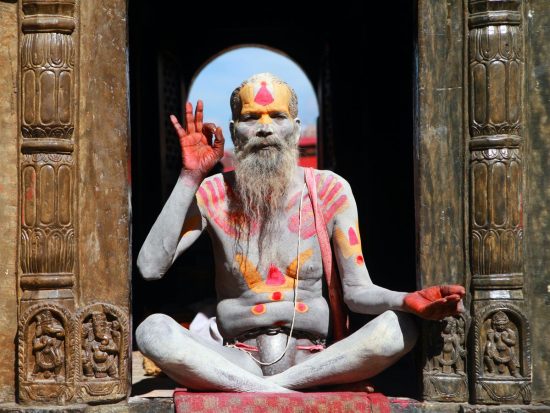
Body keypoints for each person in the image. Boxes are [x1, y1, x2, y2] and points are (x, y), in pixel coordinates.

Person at [135, 73, 465, 392]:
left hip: (318, 358)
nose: (264, 127)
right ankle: (277, 389)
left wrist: (406, 300)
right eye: (251, 117)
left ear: (294, 129)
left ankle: (265, 390)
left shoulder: (330, 191)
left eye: (277, 115)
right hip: (237, 359)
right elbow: (150, 268)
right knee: (152, 331)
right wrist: (189, 177)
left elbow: (356, 291)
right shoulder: (213, 194)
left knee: (400, 328)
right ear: (235, 132)